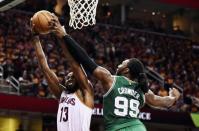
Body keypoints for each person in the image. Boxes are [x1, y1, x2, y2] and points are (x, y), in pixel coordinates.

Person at [49, 15, 180, 131]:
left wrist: (65, 36)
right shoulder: (143, 90)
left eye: (123, 63)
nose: (119, 64)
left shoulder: (110, 79)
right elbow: (164, 102)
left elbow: (85, 59)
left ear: (127, 70)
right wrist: (174, 97)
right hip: (138, 127)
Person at [31, 25, 94, 131]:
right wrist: (35, 38)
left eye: (72, 77)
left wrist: (61, 37)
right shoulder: (62, 94)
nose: (69, 78)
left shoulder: (86, 93)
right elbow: (45, 67)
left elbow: (74, 64)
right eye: (67, 77)